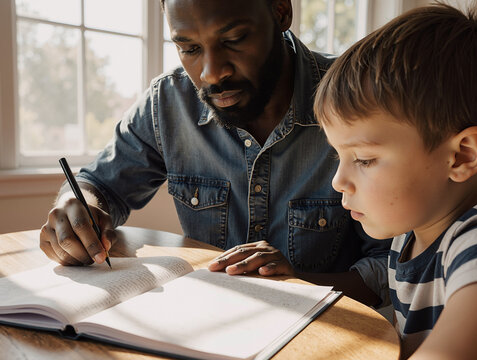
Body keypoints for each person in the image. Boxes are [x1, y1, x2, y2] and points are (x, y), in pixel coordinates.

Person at [39, 0, 390, 307]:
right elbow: (98, 185)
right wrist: (76, 205)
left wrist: (297, 282)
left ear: (281, 12)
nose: (211, 73)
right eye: (189, 49)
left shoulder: (357, 99)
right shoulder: (169, 103)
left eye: (234, 40)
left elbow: (388, 268)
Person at [314, 3, 477, 359]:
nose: (339, 180)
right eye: (339, 156)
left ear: (461, 156)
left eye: (364, 159)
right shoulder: (408, 238)